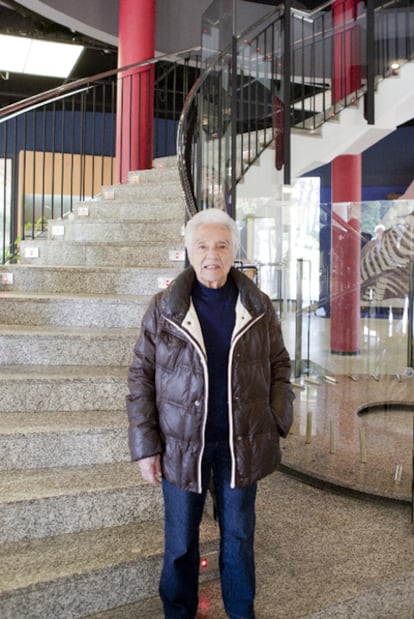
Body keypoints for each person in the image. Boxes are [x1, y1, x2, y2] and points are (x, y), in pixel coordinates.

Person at [126, 207, 294, 619]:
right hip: (182, 445)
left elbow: (280, 365)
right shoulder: (164, 309)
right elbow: (140, 378)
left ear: (233, 252)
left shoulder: (257, 305)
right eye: (202, 246)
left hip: (241, 445)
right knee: (181, 543)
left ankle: (241, 613)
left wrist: (276, 420)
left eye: (221, 245)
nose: (211, 255)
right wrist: (146, 448)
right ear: (189, 251)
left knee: (238, 538)